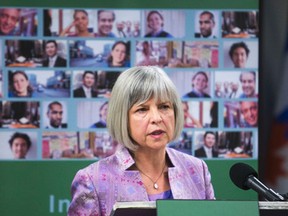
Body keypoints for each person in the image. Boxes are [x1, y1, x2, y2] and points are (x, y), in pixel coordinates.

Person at [68, 66, 215, 215]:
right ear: (122, 118)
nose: (157, 118)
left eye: (164, 106)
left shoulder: (197, 170)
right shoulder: (92, 180)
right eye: (142, 109)